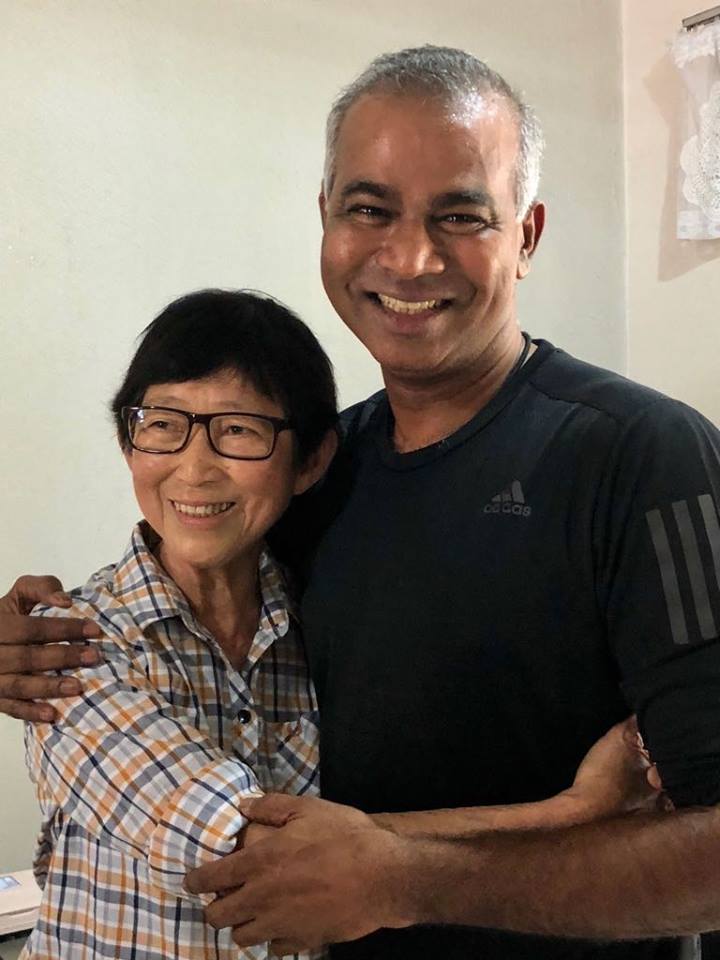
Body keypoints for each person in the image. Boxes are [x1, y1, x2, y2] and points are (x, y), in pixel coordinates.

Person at [2, 43, 719, 960]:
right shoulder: (314, 472)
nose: (410, 258)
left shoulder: (642, 456)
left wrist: (404, 876)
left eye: (460, 215)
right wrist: (18, 645)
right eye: (370, 210)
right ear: (327, 218)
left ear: (528, 236)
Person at [17, 289, 339, 959]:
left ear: (310, 460)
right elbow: (211, 828)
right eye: (163, 424)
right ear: (127, 441)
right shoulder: (66, 638)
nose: (194, 469)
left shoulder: (328, 630)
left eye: (239, 430)